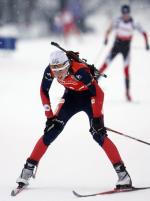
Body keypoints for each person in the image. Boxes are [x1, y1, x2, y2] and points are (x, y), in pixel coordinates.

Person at [16, 49, 132, 189]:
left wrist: (96, 119)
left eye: (61, 70)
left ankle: (123, 175)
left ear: (68, 65)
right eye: (55, 70)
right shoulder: (50, 70)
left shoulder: (80, 71)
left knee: (98, 134)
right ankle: (27, 171)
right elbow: (43, 91)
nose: (58, 74)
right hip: (70, 97)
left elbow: (98, 93)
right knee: (51, 131)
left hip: (89, 97)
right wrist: (49, 116)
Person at [99, 4, 149, 101]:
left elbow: (144, 33)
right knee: (104, 66)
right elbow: (108, 30)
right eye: (123, 13)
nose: (125, 15)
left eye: (126, 13)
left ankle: (127, 93)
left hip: (126, 49)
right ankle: (91, 84)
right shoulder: (117, 21)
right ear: (122, 13)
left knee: (126, 71)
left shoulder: (134, 23)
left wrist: (147, 44)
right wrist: (106, 38)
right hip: (116, 47)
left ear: (129, 13)